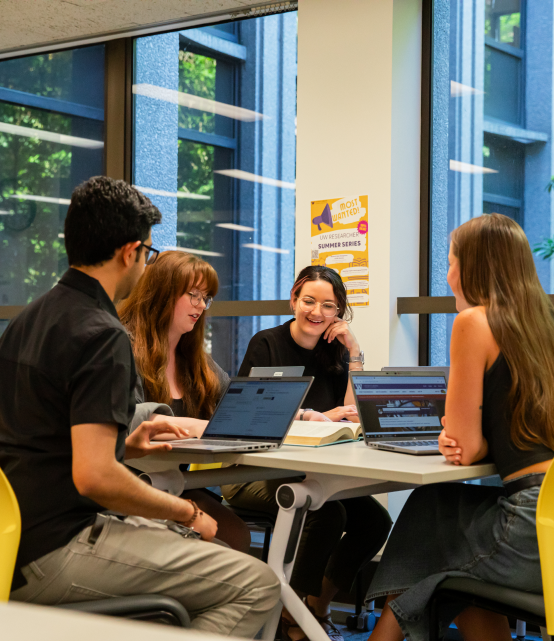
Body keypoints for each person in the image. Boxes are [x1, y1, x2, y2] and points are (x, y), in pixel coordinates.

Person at [0, 177, 279, 636]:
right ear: (131, 252)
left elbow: (43, 444)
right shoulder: (102, 333)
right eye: (149, 253)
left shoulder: (30, 319)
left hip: (15, 541)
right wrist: (189, 514)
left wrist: (125, 445)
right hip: (58, 545)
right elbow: (94, 477)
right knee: (257, 584)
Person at [364, 214, 554, 641]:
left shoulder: (475, 322)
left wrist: (462, 435)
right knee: (439, 518)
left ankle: (381, 636)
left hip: (539, 536)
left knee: (431, 514)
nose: (447, 275)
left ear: (471, 266)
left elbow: (464, 447)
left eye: (450, 262)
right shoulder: (552, 328)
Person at [221, 265, 393, 641]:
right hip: (253, 471)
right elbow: (250, 411)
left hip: (313, 471)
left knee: (375, 521)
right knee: (328, 513)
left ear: (339, 312)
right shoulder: (266, 343)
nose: (317, 312)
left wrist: (355, 352)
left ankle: (317, 607)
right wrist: (313, 416)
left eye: (329, 306)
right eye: (309, 301)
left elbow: (351, 413)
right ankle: (290, 614)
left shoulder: (335, 352)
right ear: (294, 300)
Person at [118, 250, 252, 552]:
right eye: (193, 295)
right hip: (127, 487)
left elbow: (235, 405)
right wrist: (201, 427)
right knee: (218, 544)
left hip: (173, 484)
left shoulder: (195, 360)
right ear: (162, 293)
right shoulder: (121, 347)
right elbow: (130, 421)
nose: (201, 306)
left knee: (236, 535)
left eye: (206, 298)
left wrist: (304, 416)